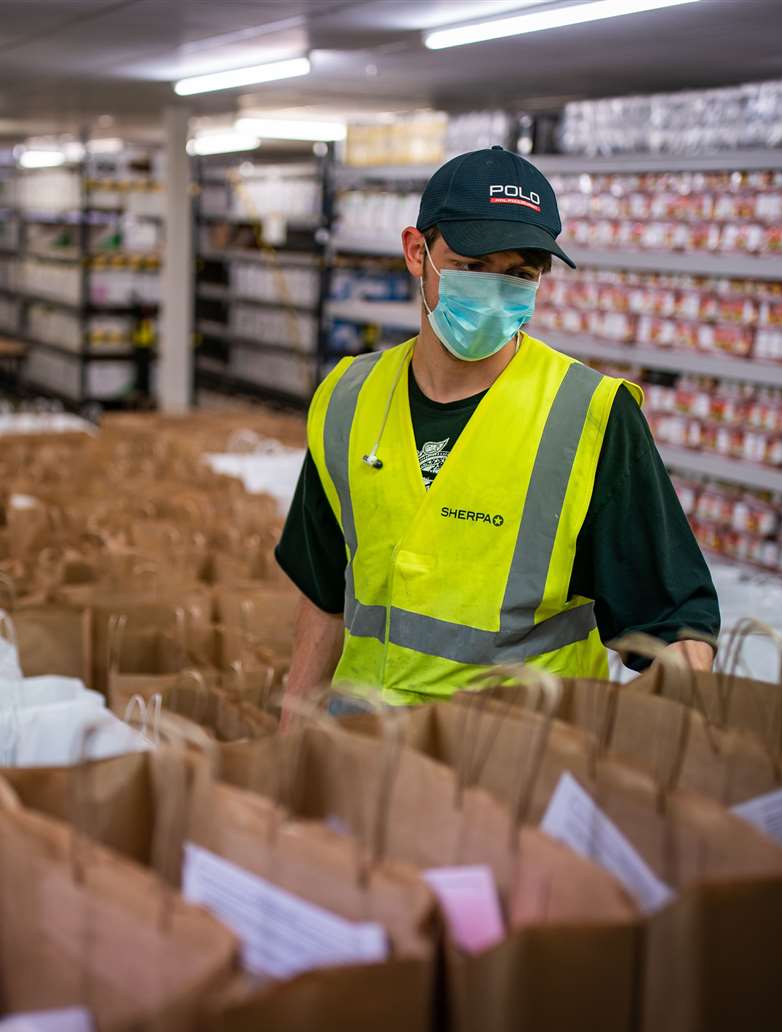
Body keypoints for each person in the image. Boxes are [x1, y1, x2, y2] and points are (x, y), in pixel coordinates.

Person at [275, 146, 718, 722]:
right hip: (358, 757)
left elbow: (674, 626)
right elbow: (323, 589)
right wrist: (292, 742)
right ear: (417, 253)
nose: (493, 293)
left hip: (513, 769)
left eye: (518, 276)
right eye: (472, 268)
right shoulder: (347, 398)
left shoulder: (589, 416)